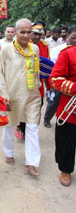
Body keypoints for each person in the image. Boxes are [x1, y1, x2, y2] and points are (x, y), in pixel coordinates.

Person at [0, 18, 41, 176]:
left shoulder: (34, 49)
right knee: (9, 125)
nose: (26, 35)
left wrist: (39, 85)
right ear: (15, 32)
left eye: (29, 32)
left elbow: (37, 71)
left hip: (32, 95)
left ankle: (31, 162)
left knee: (33, 127)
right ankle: (9, 153)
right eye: (22, 32)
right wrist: (4, 94)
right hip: (12, 96)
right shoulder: (7, 50)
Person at [49, 43, 76, 187]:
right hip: (71, 108)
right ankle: (65, 170)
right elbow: (55, 78)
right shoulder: (68, 53)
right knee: (66, 141)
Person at [44, 26, 76, 128]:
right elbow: (52, 67)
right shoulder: (59, 49)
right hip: (61, 82)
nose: (75, 40)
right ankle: (47, 119)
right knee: (54, 100)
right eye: (73, 37)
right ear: (67, 36)